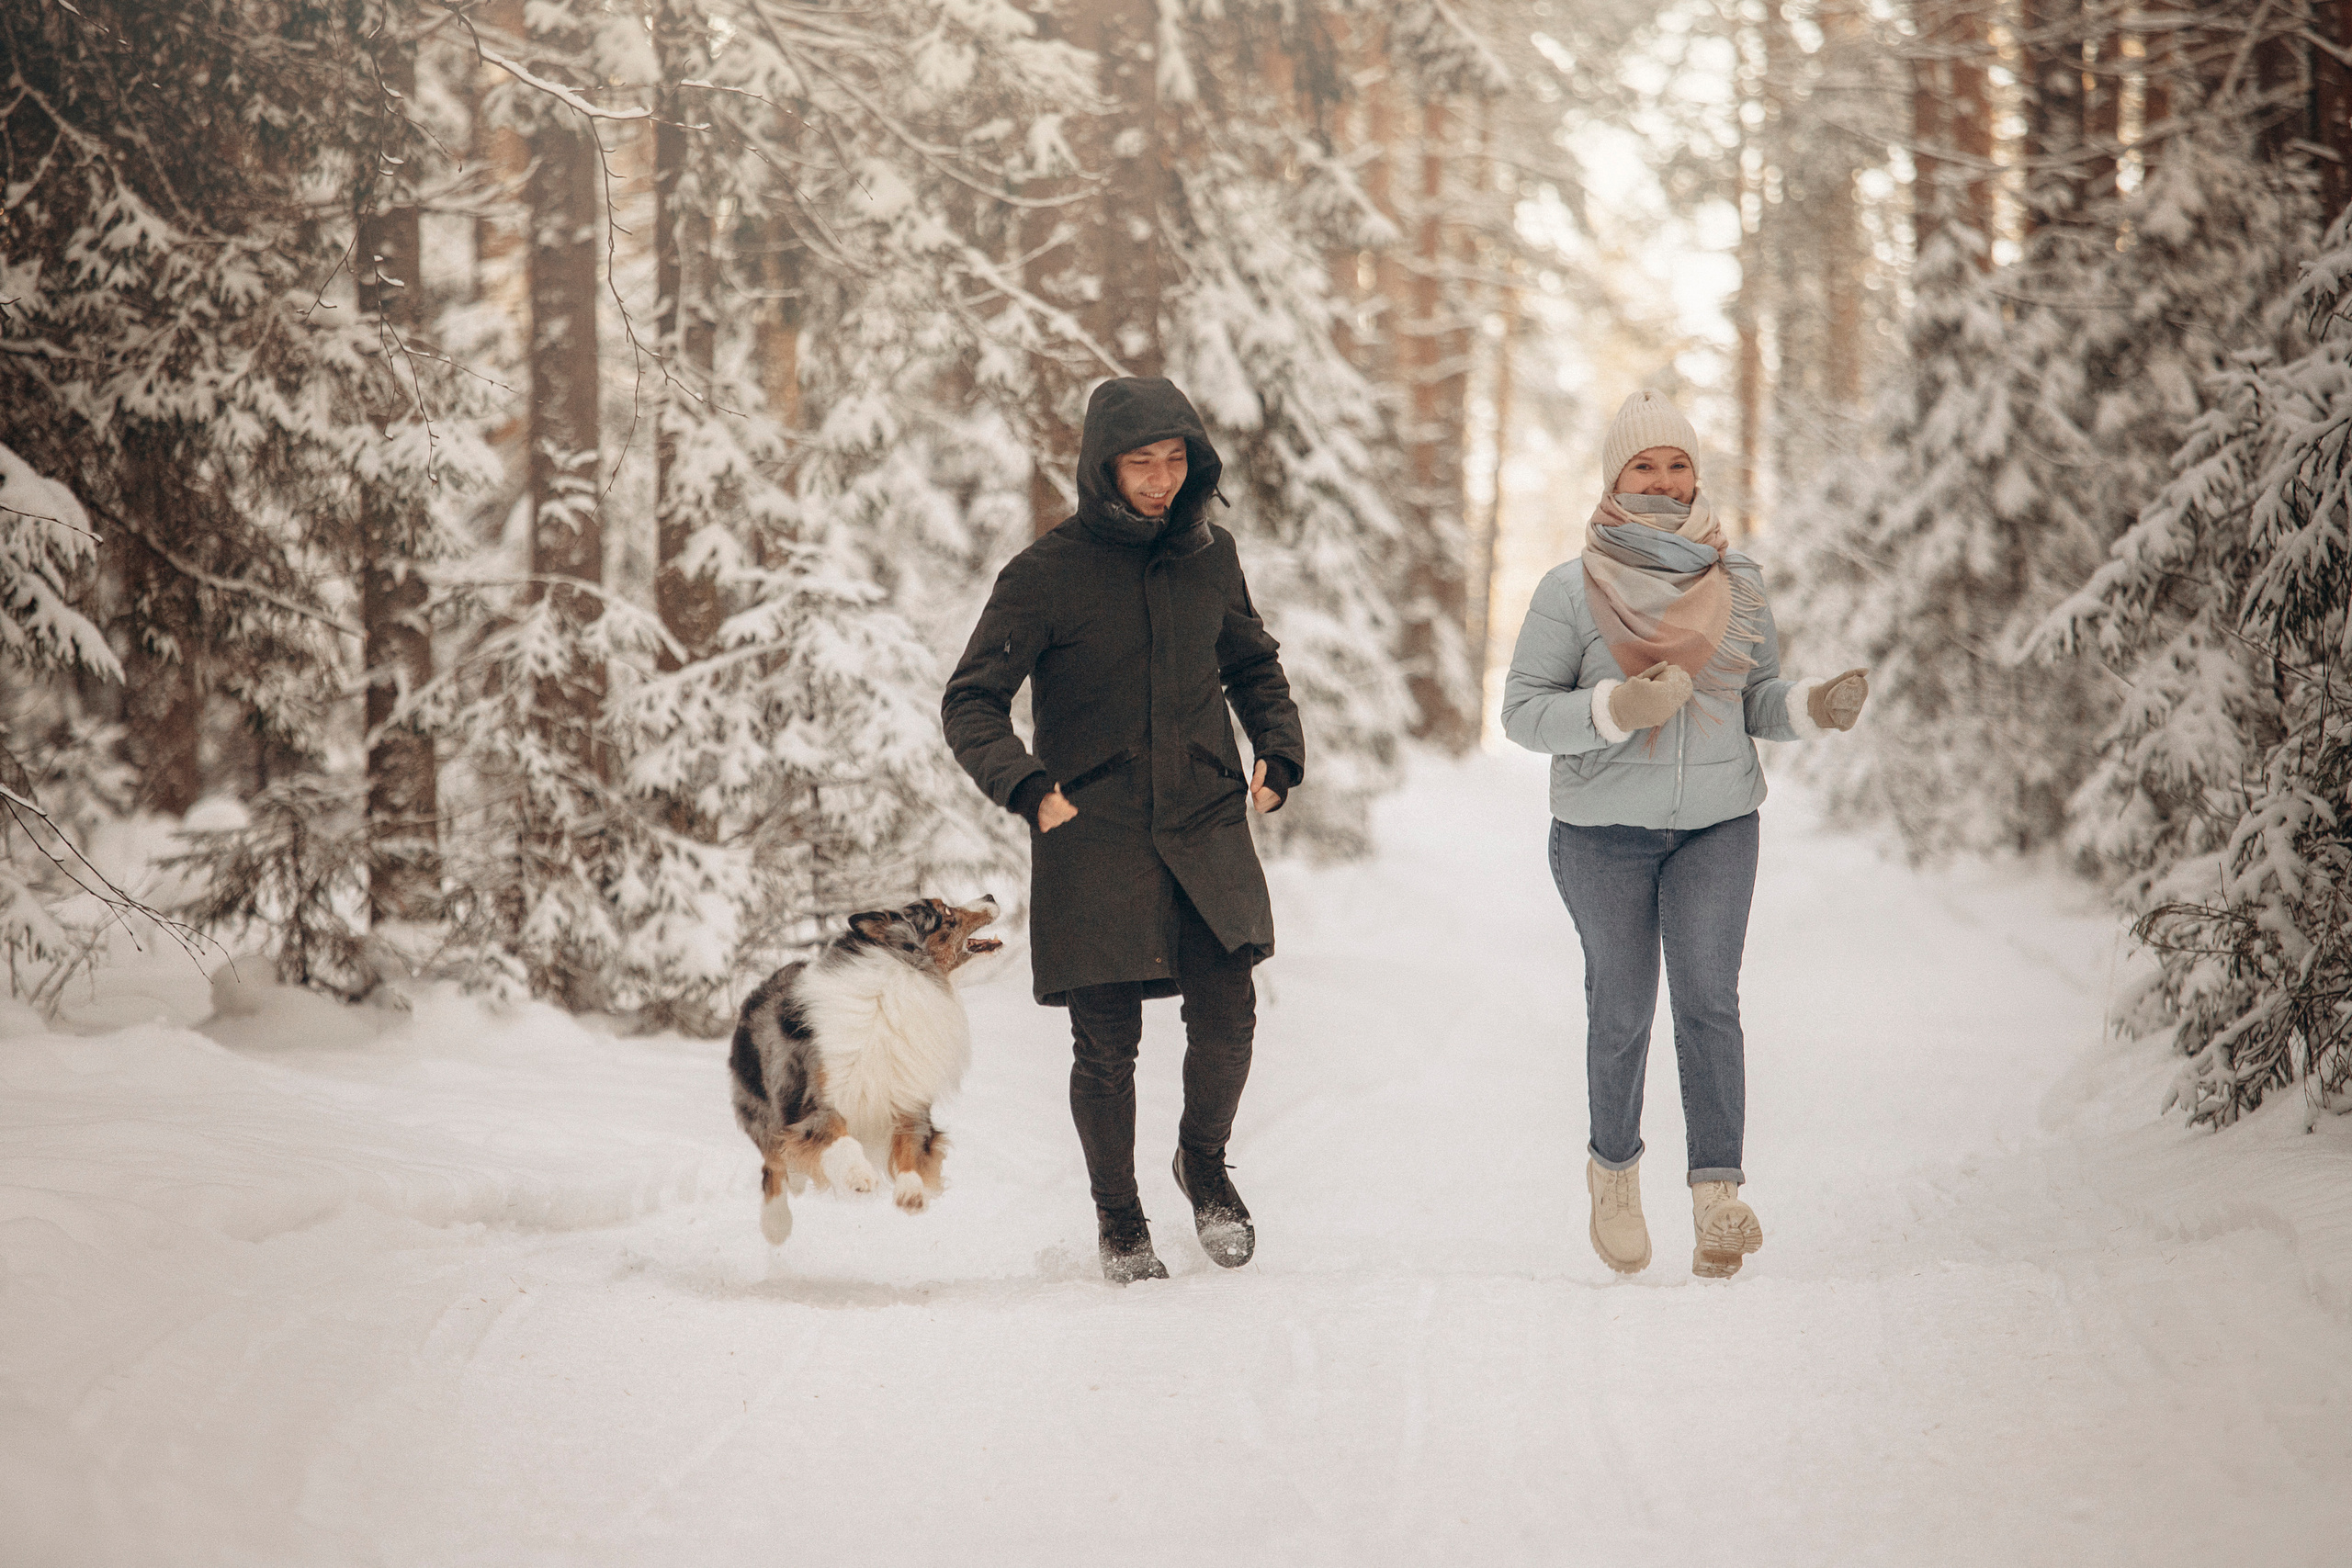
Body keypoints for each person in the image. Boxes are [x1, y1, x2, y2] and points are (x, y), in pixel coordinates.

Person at [943, 377, 1304, 1285]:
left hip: (1204, 817)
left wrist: (1278, 749)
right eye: (1140, 462)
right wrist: (1025, 783)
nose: (1159, 479)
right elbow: (972, 700)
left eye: (1175, 459)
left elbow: (1252, 665)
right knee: (1105, 1046)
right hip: (1092, 827)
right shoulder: (1044, 574)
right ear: (1102, 466)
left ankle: (1204, 1165)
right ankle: (1120, 1221)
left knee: (1228, 1013)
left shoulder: (1211, 556)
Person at [1499, 389, 1868, 1280]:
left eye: (1677, 465)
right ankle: (1614, 1174)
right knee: (1623, 1009)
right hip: (1600, 834)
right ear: (1614, 477)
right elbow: (1521, 712)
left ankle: (1717, 1199)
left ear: (1695, 475)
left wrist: (1810, 706)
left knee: (1708, 1001)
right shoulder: (1571, 589)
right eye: (1643, 465)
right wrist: (1615, 708)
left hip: (1717, 825)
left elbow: (1753, 698)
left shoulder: (1737, 582)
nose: (1663, 481)